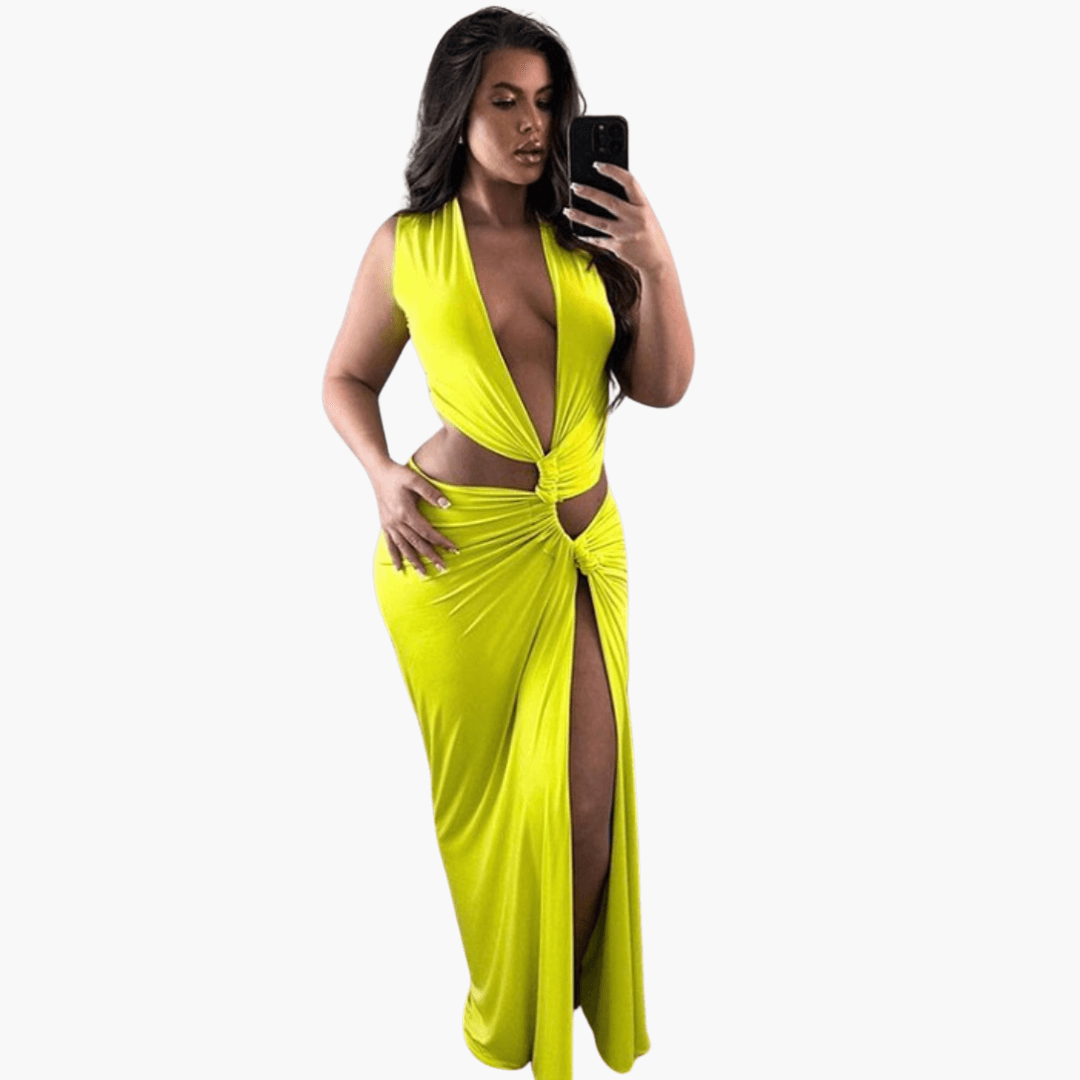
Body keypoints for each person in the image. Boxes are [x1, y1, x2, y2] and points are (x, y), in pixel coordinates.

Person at [321, 7, 692, 1077]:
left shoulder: (591, 237)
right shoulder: (407, 245)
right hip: (450, 564)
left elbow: (664, 387)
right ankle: (510, 1021)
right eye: (506, 101)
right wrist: (381, 475)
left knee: (585, 806)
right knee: (482, 813)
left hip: (578, 553)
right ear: (456, 110)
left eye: (546, 102)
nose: (534, 124)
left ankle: (542, 1022)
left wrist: (656, 261)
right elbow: (345, 378)